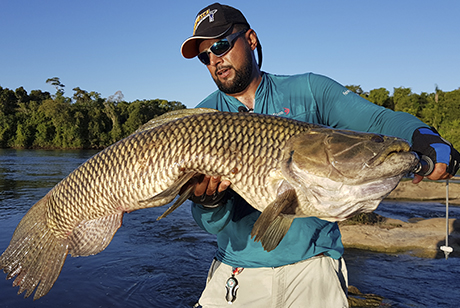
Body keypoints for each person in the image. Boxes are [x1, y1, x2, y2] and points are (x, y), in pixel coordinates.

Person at [180, 3, 460, 307]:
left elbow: (377, 121)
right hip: (237, 273)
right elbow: (211, 226)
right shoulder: (199, 121)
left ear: (250, 39)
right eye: (204, 56)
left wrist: (423, 135)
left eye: (221, 45)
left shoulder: (309, 89)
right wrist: (208, 201)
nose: (214, 60)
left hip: (315, 270)